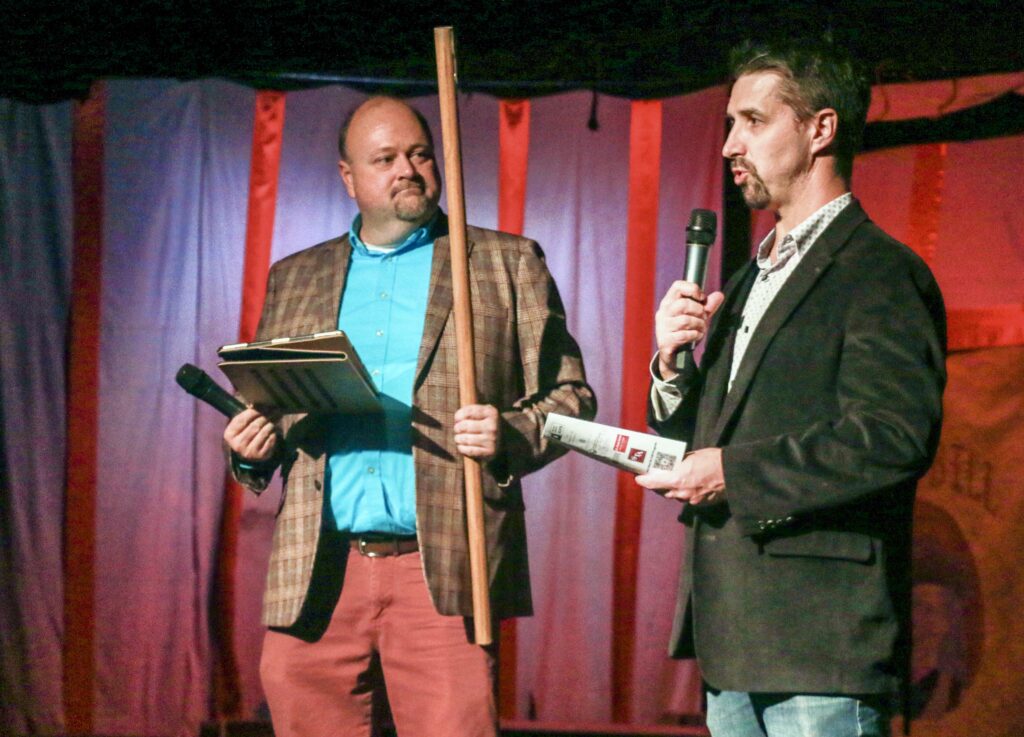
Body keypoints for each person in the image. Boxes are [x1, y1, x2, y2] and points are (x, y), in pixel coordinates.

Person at [224, 96, 595, 737]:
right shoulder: (297, 277)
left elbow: (571, 400)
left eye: (420, 154)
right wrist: (252, 449)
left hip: (441, 568)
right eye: (386, 158)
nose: (409, 170)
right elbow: (276, 415)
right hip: (320, 570)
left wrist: (511, 431)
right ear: (349, 177)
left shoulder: (504, 263)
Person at [635, 38, 946, 737]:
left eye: (751, 121)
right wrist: (669, 366)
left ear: (820, 128)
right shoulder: (747, 279)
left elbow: (891, 436)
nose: (729, 146)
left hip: (821, 640)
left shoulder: (879, 272)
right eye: (728, 125)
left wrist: (733, 473)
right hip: (734, 632)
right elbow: (706, 438)